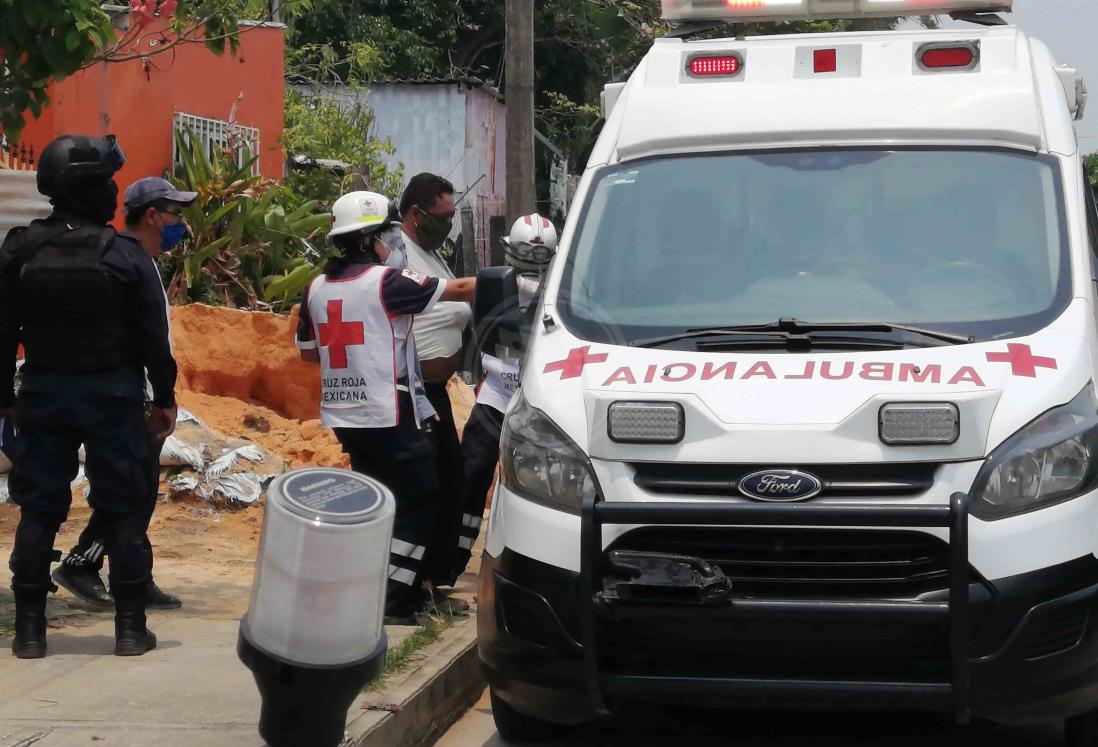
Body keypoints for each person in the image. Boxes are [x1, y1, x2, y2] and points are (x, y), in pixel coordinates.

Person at [0, 135, 178, 659]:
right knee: (124, 510)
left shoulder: (19, 247)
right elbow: (154, 340)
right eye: (105, 182)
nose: (112, 192)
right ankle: (129, 630)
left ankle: (29, 633)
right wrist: (164, 399)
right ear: (87, 188)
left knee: (39, 511)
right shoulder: (123, 254)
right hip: (113, 397)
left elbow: (2, 331)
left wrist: (4, 399)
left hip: (45, 393)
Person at [295, 191, 476, 625]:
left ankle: (374, 592)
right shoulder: (385, 282)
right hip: (388, 410)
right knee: (419, 497)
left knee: (377, 501)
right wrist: (528, 281)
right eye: (389, 234)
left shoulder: (316, 288)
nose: (395, 242)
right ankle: (396, 599)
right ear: (370, 238)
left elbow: (307, 353)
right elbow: (462, 289)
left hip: (346, 414)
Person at [51, 177, 194, 611]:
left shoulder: (138, 261)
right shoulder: (131, 261)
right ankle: (82, 562)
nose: (180, 225)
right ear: (152, 215)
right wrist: (161, 399)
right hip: (134, 397)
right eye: (175, 214)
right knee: (131, 491)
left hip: (136, 394)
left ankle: (136, 576)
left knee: (138, 489)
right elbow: (147, 338)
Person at [452, 214, 556, 576]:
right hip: (496, 395)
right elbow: (465, 291)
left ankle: (543, 565)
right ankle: (451, 563)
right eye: (529, 253)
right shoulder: (493, 284)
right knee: (470, 476)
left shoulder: (566, 291)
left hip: (541, 402)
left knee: (551, 485)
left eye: (542, 255)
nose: (535, 263)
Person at [397, 174, 472, 593]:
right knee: (432, 482)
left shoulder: (431, 253)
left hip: (436, 391)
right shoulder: (398, 252)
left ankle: (433, 580)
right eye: (443, 216)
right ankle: (417, 583)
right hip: (413, 390)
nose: (449, 225)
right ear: (416, 213)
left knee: (450, 478)